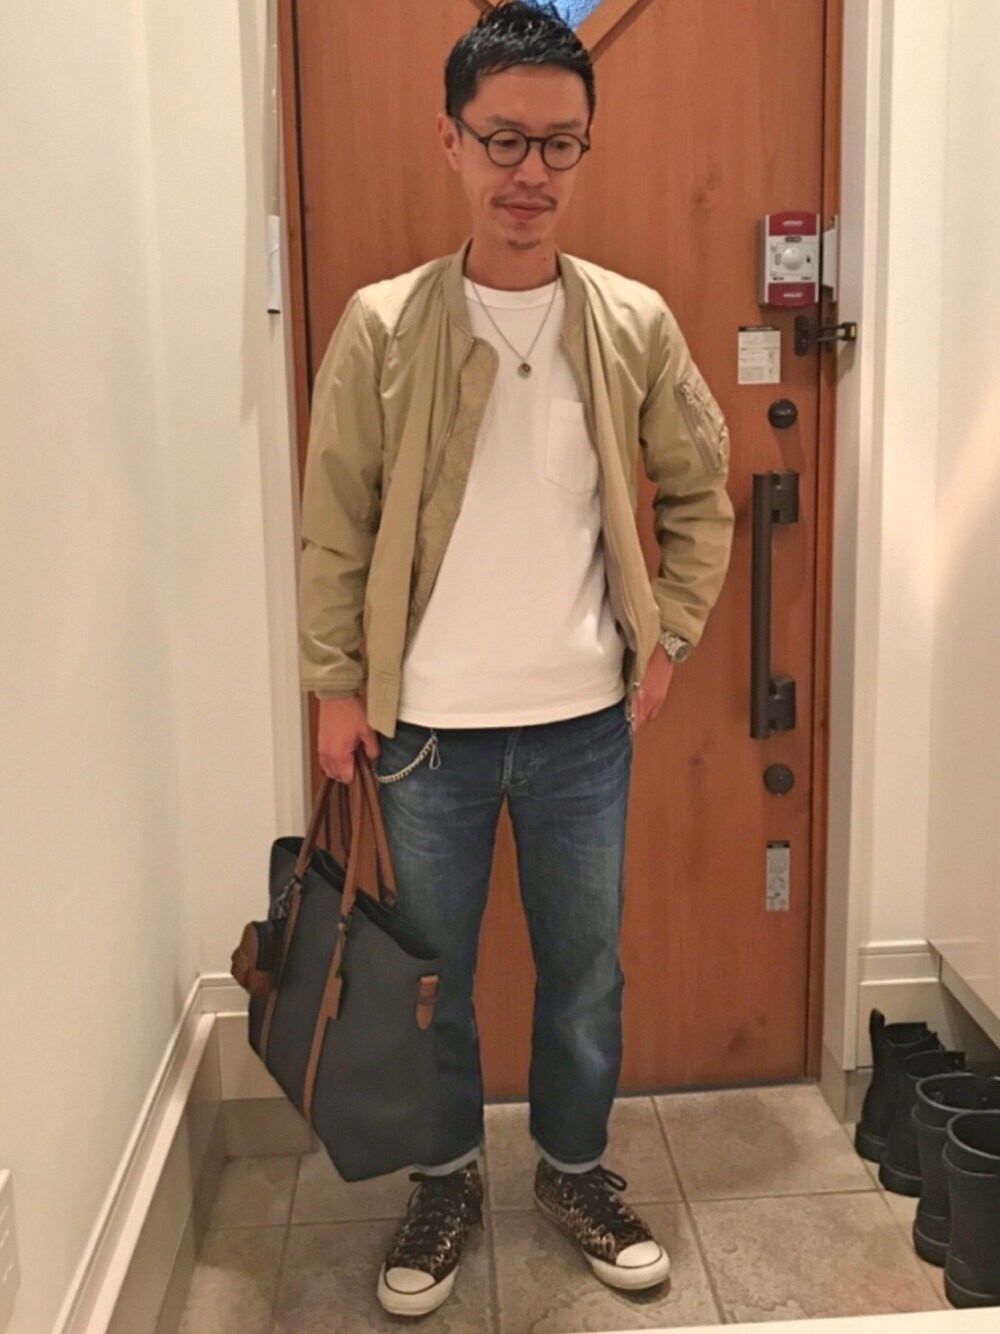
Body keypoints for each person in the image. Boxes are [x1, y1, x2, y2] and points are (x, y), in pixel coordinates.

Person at [297, 0, 734, 1317]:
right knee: (425, 983)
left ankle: (574, 1170)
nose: (529, 171)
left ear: (584, 148)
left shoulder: (632, 322)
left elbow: (700, 492)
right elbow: (334, 521)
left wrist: (670, 636)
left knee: (584, 971)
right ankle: (443, 1181)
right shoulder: (383, 326)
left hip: (585, 727)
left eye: (558, 143)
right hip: (420, 730)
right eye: (503, 139)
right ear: (451, 141)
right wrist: (334, 684)